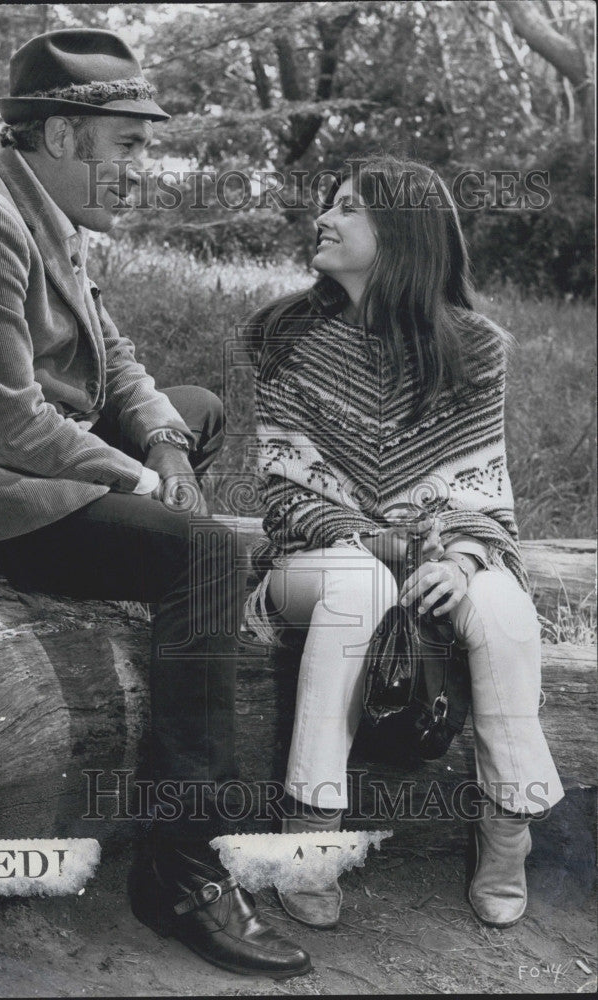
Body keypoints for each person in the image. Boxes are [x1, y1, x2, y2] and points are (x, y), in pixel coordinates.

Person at [0, 29, 311, 979]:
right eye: (127, 144)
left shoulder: (43, 213)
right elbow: (13, 428)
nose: (143, 167)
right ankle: (182, 874)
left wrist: (167, 446)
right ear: (59, 136)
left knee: (195, 412)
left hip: (12, 451)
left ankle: (156, 549)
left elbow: (117, 358)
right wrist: (145, 488)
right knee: (207, 555)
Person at [242, 155, 564, 931]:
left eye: (347, 207)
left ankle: (506, 831)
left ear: (402, 233)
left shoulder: (474, 348)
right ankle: (311, 835)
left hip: (439, 552)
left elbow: (483, 496)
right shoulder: (288, 336)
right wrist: (387, 547)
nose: (323, 217)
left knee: (500, 608)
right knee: (361, 587)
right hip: (312, 565)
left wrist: (456, 558)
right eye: (330, 202)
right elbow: (284, 496)